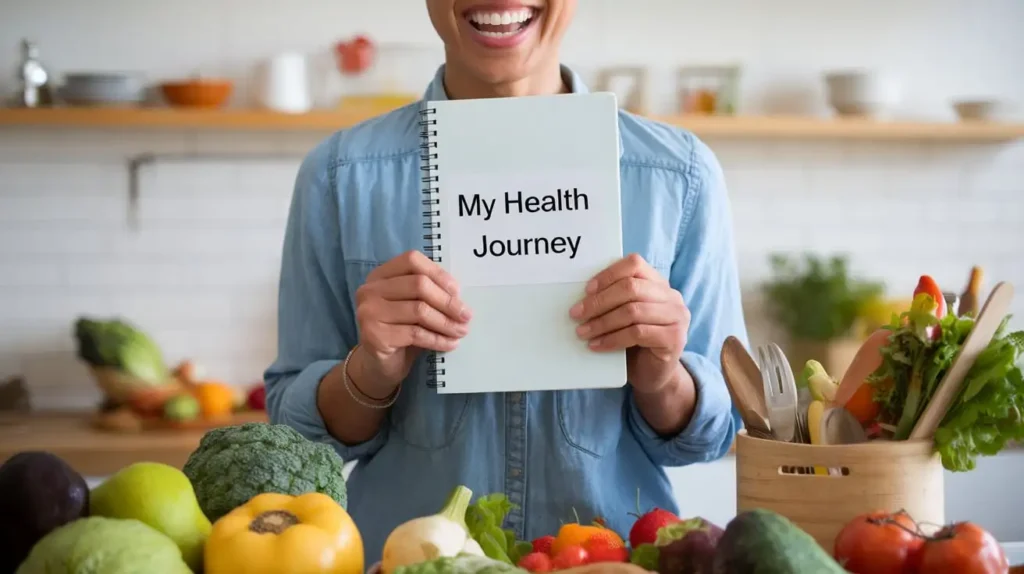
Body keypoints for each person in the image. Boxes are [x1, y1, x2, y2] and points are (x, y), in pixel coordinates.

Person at [265, 0, 748, 565]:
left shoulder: (681, 174)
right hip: (407, 561)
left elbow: (718, 434)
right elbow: (295, 440)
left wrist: (663, 377)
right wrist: (370, 373)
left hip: (609, 561)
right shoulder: (337, 174)